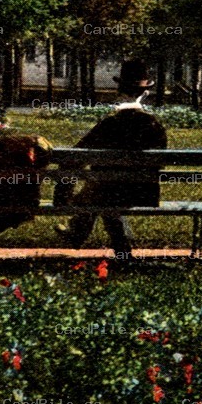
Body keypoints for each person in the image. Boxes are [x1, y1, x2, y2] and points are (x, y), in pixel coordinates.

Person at [54, 60, 167, 257]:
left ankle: (78, 233)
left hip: (109, 191)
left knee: (100, 192)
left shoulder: (109, 124)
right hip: (144, 193)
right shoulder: (154, 126)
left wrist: (65, 188)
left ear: (119, 91)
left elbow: (75, 155)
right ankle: (122, 251)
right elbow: (160, 163)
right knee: (105, 195)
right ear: (145, 93)